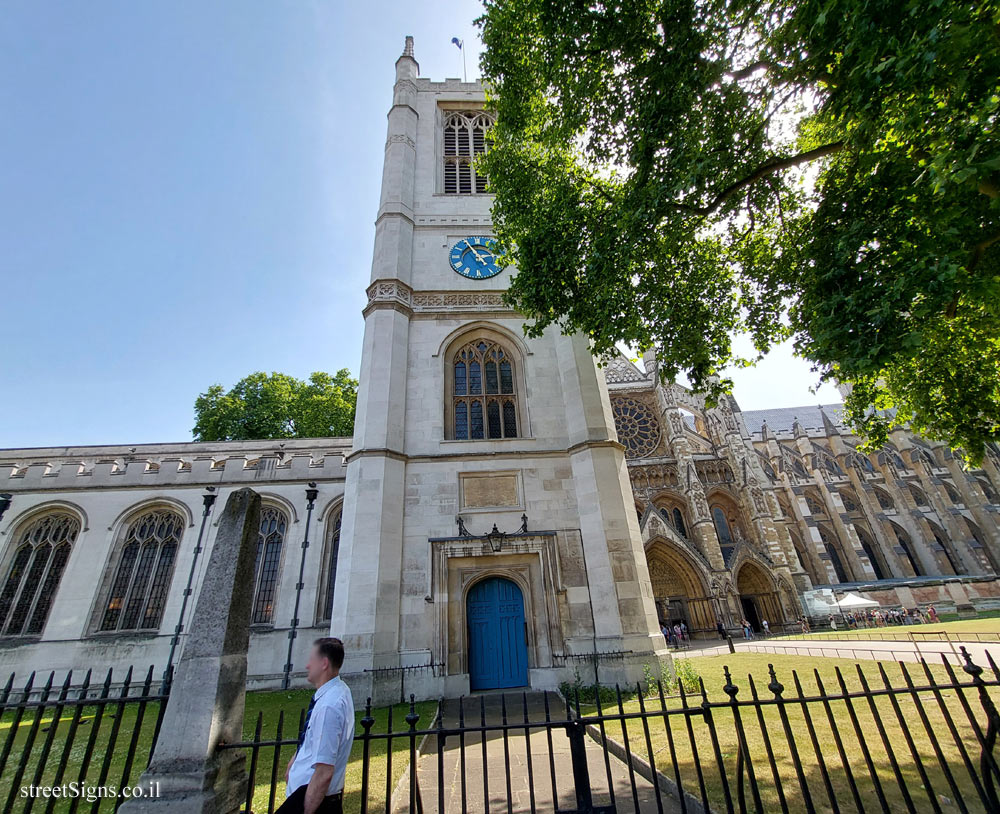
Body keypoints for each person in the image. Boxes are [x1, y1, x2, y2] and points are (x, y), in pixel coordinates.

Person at [278, 637, 355, 814]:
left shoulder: (329, 705)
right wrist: (296, 759)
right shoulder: (338, 691)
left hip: (312, 801)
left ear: (324, 664)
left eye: (311, 659)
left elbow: (324, 772)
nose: (307, 665)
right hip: (308, 796)